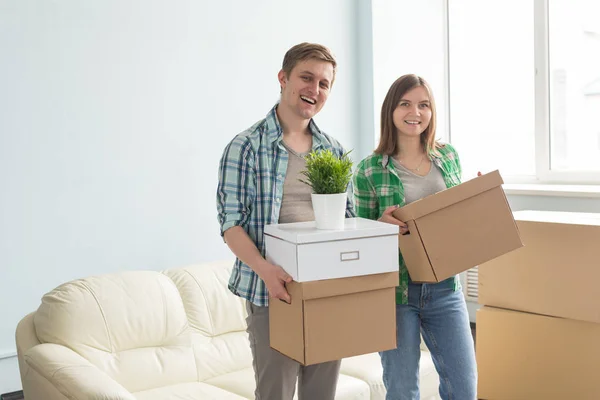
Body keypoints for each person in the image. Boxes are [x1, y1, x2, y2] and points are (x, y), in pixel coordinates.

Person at [216, 42, 354, 400]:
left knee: (321, 394)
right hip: (270, 292)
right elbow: (231, 224)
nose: (315, 90)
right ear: (283, 78)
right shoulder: (245, 146)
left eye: (324, 84)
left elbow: (348, 219)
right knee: (275, 392)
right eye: (306, 78)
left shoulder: (334, 151)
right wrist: (265, 269)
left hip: (325, 290)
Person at [352, 74, 477, 400]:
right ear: (391, 110)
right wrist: (379, 226)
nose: (415, 112)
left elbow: (455, 217)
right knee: (403, 391)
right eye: (406, 103)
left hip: (446, 288)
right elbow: (359, 240)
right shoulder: (368, 170)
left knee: (464, 388)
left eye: (424, 105)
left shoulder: (447, 156)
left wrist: (476, 198)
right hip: (395, 294)